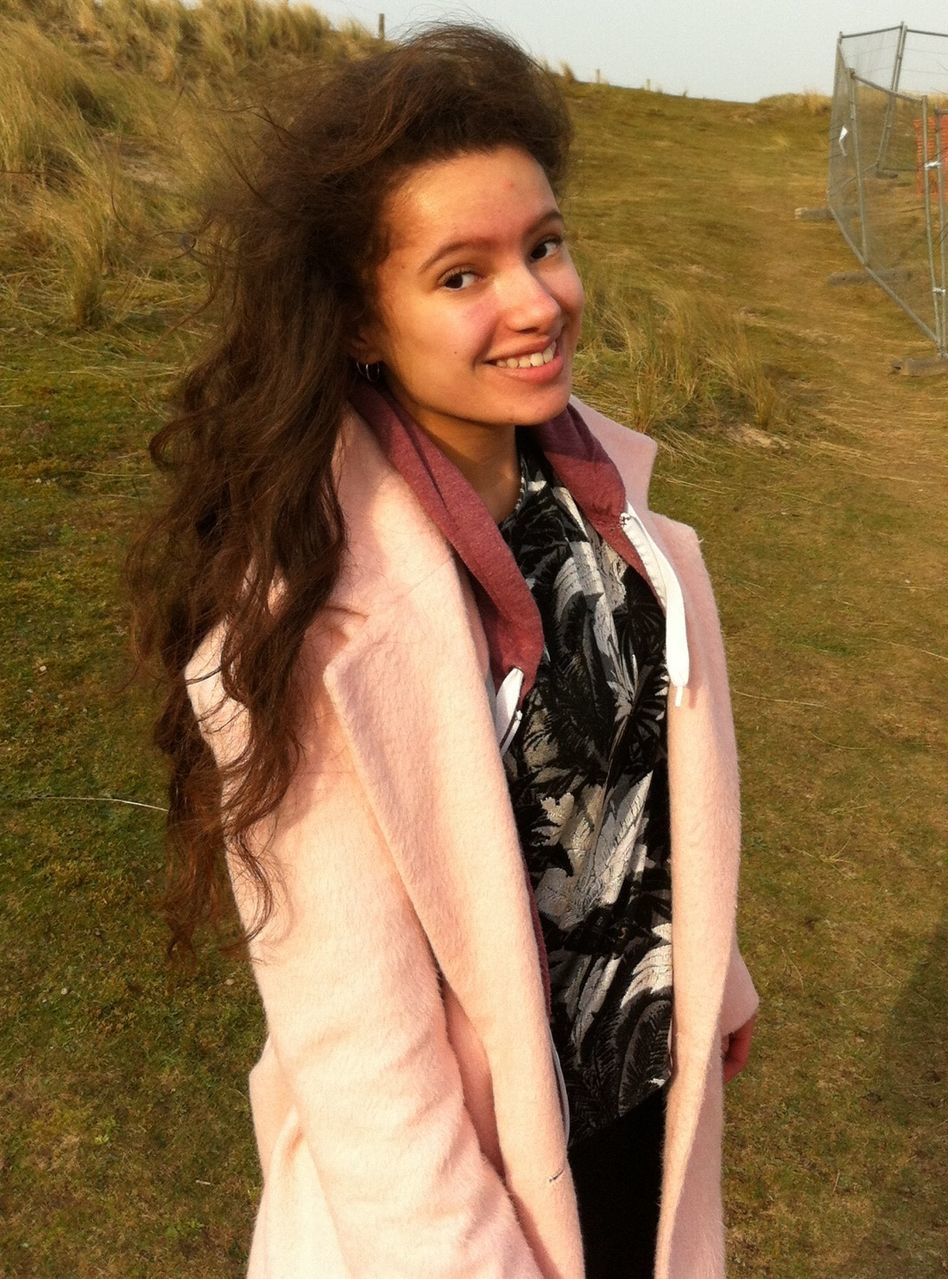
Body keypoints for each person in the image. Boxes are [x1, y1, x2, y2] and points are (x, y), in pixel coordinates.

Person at [128, 23, 758, 1279]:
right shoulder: (298, 622)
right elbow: (359, 1053)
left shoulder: (614, 519)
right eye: (460, 275)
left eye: (542, 245)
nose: (535, 302)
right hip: (465, 1199)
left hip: (637, 1119)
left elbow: (639, 798)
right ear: (364, 318)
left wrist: (712, 979)